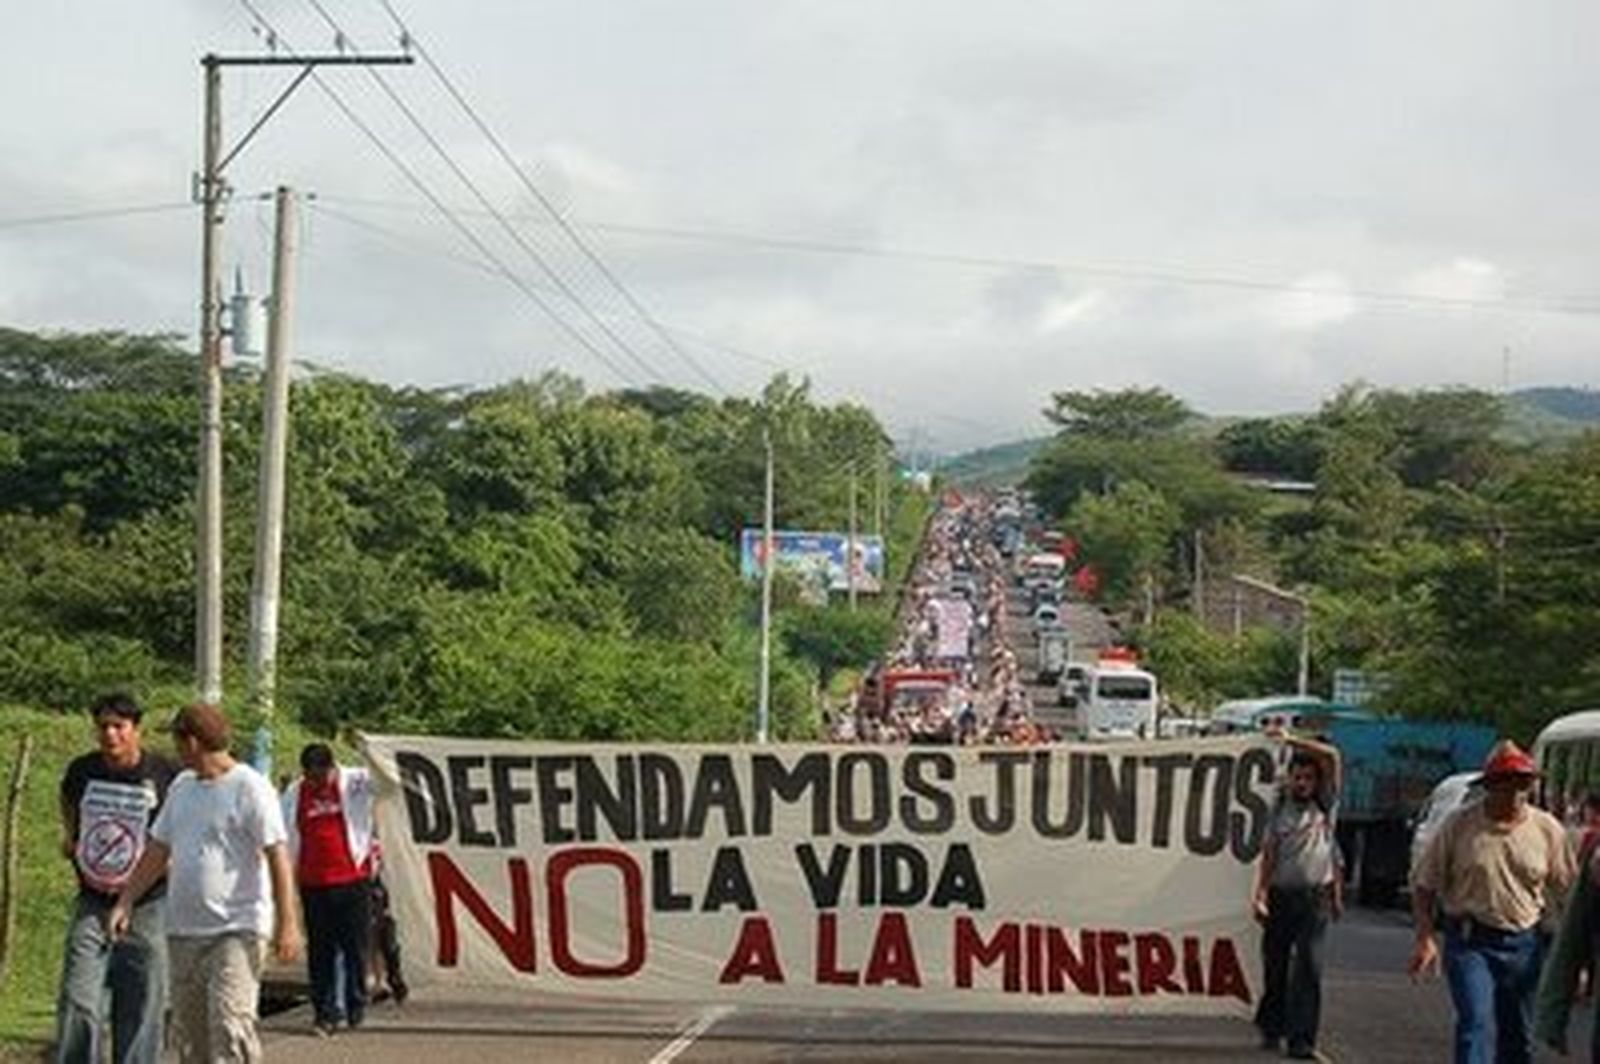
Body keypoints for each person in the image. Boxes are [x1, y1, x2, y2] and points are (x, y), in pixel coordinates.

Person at [109, 703, 301, 1064]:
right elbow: (157, 849)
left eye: (178, 742)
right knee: (191, 1036)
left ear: (193, 742)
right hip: (185, 930)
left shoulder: (249, 787)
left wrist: (288, 924)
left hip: (236, 928)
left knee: (229, 1024)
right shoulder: (182, 787)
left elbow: (278, 855)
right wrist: (126, 899)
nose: (177, 751)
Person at [1409, 739, 1575, 1064]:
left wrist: (1573, 959)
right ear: (1490, 787)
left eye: (1521, 784)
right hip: (1472, 942)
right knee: (1476, 1023)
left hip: (1525, 943)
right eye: (1506, 784)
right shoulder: (1459, 825)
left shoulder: (1547, 829)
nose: (1514, 793)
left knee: (1519, 1037)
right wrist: (1425, 937)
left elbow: (1568, 893)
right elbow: (1424, 884)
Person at [53, 693, 178, 1064]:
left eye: (119, 726)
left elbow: (178, 828)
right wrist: (73, 837)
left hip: (149, 901)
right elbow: (68, 801)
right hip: (93, 898)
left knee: (143, 997)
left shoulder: (164, 774)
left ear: (136, 730)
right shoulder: (83, 770)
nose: (110, 735)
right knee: (79, 994)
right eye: (103, 726)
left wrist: (169, 862)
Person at [1252, 740, 1343, 1060]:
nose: (1303, 783)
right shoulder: (1278, 810)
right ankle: (1272, 1026)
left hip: (1314, 899)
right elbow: (1269, 855)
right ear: (1289, 779)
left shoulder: (1326, 805)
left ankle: (1302, 1039)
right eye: (1298, 777)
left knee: (1309, 967)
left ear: (1317, 782)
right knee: (1275, 968)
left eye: (1308, 778)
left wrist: (1289, 739)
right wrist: (1261, 894)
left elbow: (1331, 756)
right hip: (1280, 897)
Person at [281, 743, 376, 1035]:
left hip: (352, 878)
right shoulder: (295, 793)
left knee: (355, 948)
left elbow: (388, 780)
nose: (318, 783)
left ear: (332, 768)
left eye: (322, 777)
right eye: (312, 777)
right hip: (313, 883)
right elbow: (284, 834)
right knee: (320, 952)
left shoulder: (356, 782)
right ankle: (324, 1012)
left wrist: (373, 750)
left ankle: (355, 1004)